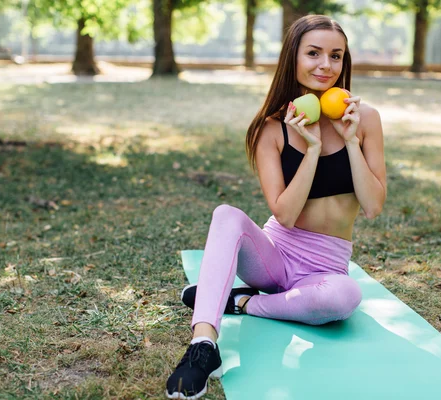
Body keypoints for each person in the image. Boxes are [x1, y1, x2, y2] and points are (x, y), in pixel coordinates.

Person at [165, 14, 386, 400]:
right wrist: (312, 148)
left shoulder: (364, 119)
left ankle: (245, 302)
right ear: (293, 58)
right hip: (274, 257)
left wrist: (350, 142)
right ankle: (203, 345)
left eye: (336, 56)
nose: (325, 65)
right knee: (226, 215)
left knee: (344, 297)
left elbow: (372, 207)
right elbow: (284, 213)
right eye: (313, 53)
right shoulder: (272, 128)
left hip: (325, 267)